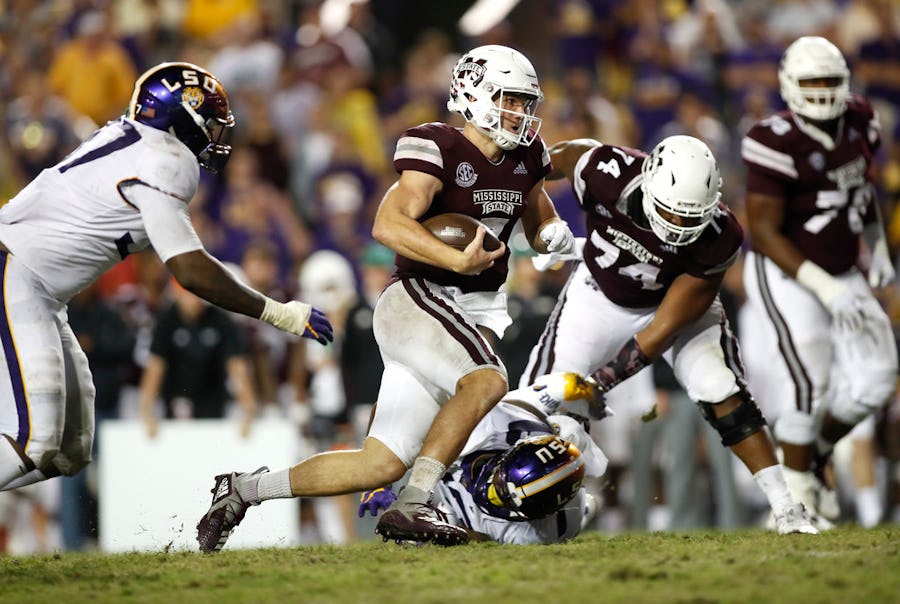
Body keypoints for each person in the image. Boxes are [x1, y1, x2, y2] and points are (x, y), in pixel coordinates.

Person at [195, 44, 576, 551]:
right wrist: (454, 260)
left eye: (525, 103)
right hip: (420, 296)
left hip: (466, 311)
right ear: (476, 95)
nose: (520, 113)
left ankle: (243, 490)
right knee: (487, 381)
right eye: (510, 100)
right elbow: (387, 224)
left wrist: (553, 236)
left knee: (379, 463)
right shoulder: (437, 146)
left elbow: (537, 214)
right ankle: (416, 502)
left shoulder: (527, 156)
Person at [0, 61, 333, 493]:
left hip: (36, 287)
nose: (215, 136)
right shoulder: (168, 158)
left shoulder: (133, 140)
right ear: (181, 117)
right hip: (15, 273)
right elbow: (190, 269)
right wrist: (278, 313)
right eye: (209, 124)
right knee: (34, 441)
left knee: (72, 447)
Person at [520, 133, 817, 535]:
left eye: (690, 218)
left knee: (719, 386)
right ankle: (534, 514)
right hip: (599, 295)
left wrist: (599, 383)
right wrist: (541, 223)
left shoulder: (720, 236)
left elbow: (660, 331)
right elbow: (539, 165)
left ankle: (786, 506)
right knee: (539, 402)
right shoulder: (604, 171)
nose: (677, 226)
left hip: (669, 306)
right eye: (671, 213)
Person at [740, 36, 897, 527]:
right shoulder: (771, 139)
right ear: (790, 86)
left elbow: (860, 189)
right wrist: (825, 288)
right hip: (785, 271)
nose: (823, 91)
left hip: (844, 266)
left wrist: (877, 246)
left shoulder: (862, 119)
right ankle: (797, 501)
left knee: (877, 377)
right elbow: (764, 232)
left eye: (830, 80)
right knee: (809, 381)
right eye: (812, 82)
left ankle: (811, 459)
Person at [359, 372, 610, 545]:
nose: (490, 494)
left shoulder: (540, 532)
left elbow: (472, 537)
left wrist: (448, 530)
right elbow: (387, 409)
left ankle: (593, 500)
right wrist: (377, 480)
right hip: (537, 426)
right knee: (569, 421)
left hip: (562, 506)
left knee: (413, 537)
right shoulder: (486, 424)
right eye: (497, 484)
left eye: (503, 499)